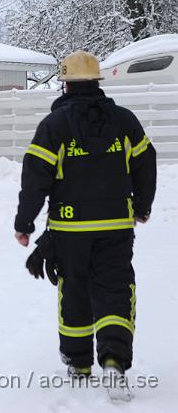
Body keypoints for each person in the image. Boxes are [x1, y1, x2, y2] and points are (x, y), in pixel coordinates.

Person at [14, 51, 156, 396]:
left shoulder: (54, 126)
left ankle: (78, 362)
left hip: (69, 230)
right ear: (97, 82)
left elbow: (36, 177)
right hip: (115, 228)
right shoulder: (124, 121)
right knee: (115, 290)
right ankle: (114, 360)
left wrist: (25, 222)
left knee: (74, 290)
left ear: (64, 83)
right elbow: (146, 161)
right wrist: (142, 205)